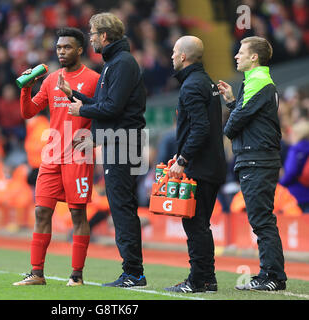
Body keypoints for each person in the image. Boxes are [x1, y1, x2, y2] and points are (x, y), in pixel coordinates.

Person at [57, 12, 147, 288]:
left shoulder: (121, 63)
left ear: (104, 36)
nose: (91, 38)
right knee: (121, 207)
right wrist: (75, 95)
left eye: (93, 33)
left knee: (122, 208)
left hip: (122, 143)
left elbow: (112, 108)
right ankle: (132, 271)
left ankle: (133, 273)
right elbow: (105, 102)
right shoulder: (115, 62)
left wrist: (81, 108)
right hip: (118, 141)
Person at [13, 27, 99, 287]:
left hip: (78, 155)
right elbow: (29, 112)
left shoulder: (93, 79)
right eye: (59, 47)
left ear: (80, 50)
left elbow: (109, 112)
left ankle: (77, 276)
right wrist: (26, 89)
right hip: (52, 155)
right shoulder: (50, 80)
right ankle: (37, 273)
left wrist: (94, 138)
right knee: (41, 212)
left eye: (67, 47)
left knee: (77, 214)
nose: (62, 51)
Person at [218, 36, 287, 291]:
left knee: (261, 219)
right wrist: (232, 102)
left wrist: (232, 116)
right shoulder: (257, 82)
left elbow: (235, 124)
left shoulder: (257, 80)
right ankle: (269, 273)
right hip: (257, 157)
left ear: (254, 57)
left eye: (241, 52)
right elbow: (246, 116)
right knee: (261, 218)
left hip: (257, 158)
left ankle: (273, 276)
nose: (237, 56)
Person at [162, 36, 226, 293]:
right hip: (212, 164)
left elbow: (199, 128)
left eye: (174, 52)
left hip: (200, 166)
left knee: (195, 223)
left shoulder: (191, 86)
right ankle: (207, 279)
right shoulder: (205, 82)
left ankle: (198, 280)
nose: (172, 56)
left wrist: (182, 159)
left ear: (184, 57)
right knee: (200, 223)